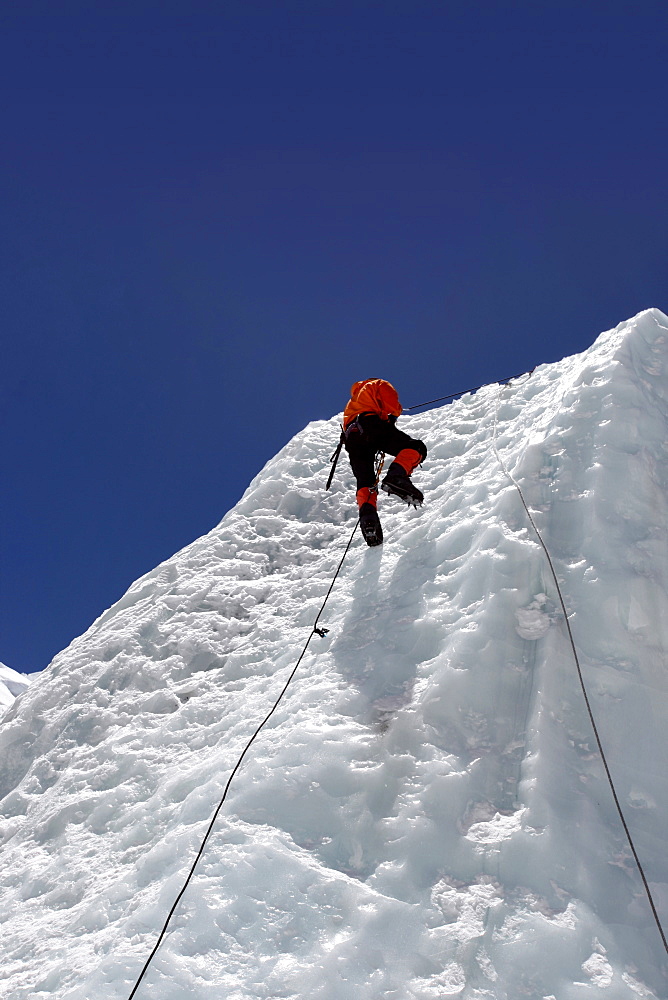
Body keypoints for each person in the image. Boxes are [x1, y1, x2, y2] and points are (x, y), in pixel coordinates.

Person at [342, 378, 427, 546]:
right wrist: (393, 416)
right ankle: (397, 476)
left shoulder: (352, 403)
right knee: (416, 448)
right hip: (370, 424)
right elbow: (391, 403)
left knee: (365, 480)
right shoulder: (376, 384)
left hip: (352, 438)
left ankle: (368, 518)